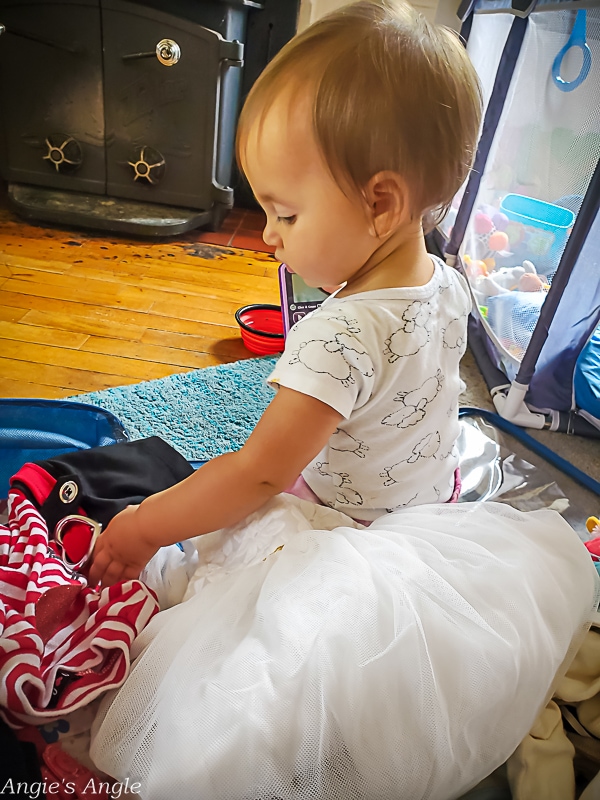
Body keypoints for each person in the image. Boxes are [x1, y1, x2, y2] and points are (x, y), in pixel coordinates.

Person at [89, 0, 482, 588]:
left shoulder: (334, 338)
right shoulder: (449, 282)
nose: (269, 234)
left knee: (207, 586)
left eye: (287, 214)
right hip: (429, 509)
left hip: (342, 542)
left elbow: (257, 475)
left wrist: (145, 527)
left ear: (381, 204)